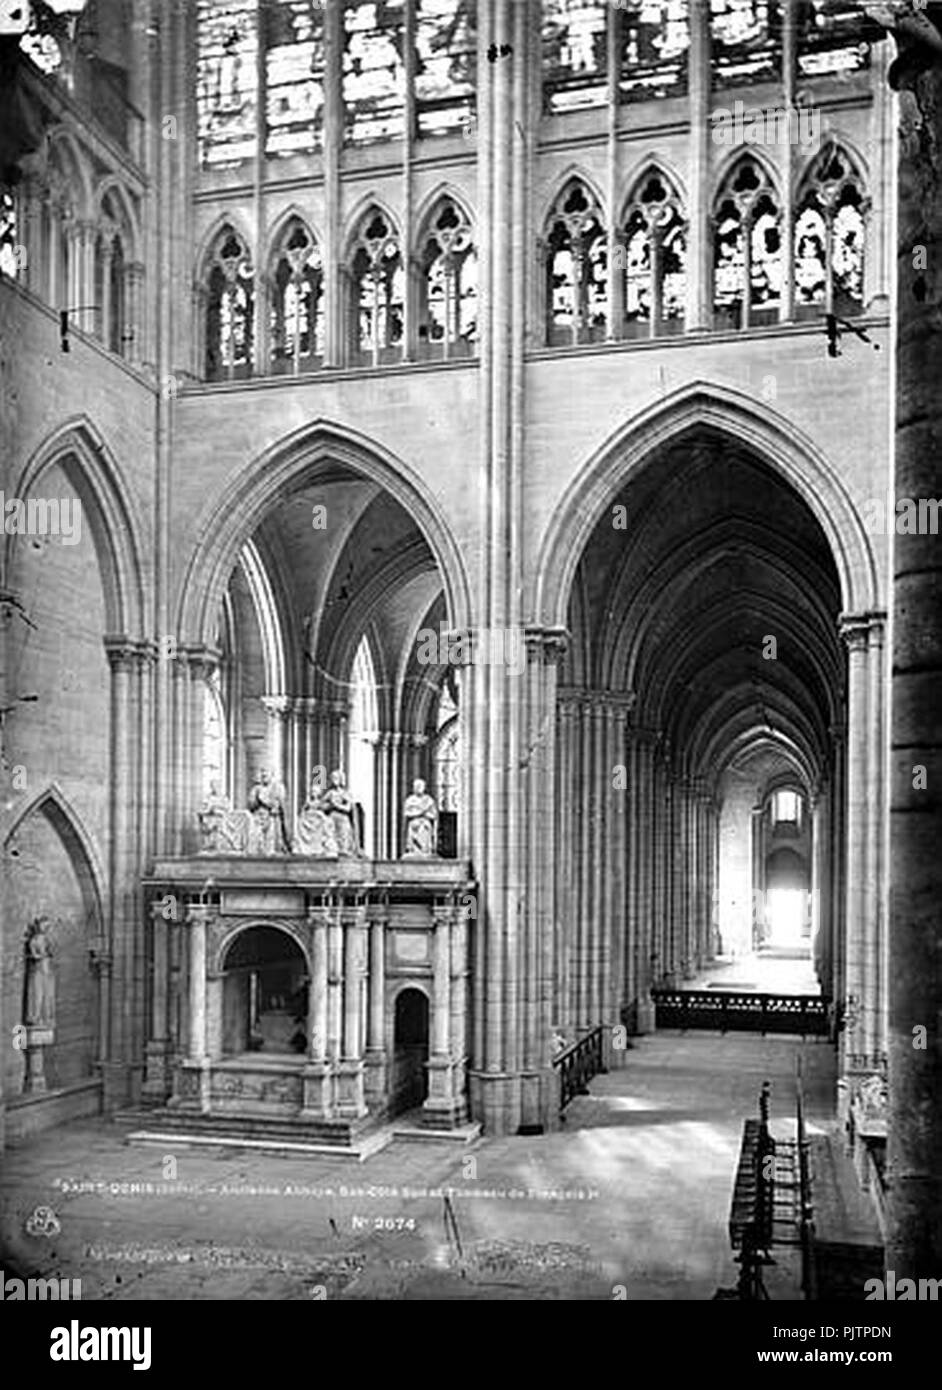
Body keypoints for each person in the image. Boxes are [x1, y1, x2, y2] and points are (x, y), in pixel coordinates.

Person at [292, 770, 338, 857]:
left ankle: (319, 847)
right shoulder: (308, 802)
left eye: (315, 792)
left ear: (318, 793)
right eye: (312, 792)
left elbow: (324, 808)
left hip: (317, 819)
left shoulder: (320, 802)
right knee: (300, 822)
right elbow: (303, 810)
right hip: (308, 819)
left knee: (324, 821)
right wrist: (302, 816)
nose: (313, 793)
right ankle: (302, 847)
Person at [247, 767, 289, 854]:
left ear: (272, 775)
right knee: (254, 833)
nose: (264, 776)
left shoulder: (278, 787)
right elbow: (251, 805)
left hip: (271, 817)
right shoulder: (256, 789)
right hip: (258, 817)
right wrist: (256, 800)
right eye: (262, 775)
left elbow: (280, 805)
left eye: (266, 774)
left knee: (271, 836)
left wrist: (266, 801)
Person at [24, 917, 56, 1028]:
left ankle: (47, 1018)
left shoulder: (47, 939)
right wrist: (41, 955)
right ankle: (37, 1017)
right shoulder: (34, 940)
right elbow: (34, 954)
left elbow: (51, 951)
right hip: (39, 969)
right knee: (38, 994)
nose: (46, 928)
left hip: (47, 969)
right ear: (39, 925)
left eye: (47, 926)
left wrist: (48, 952)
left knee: (48, 994)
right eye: (44, 925)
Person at [322, 769, 361, 856]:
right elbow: (322, 805)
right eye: (332, 778)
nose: (333, 780)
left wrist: (336, 805)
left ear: (340, 779)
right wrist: (328, 806)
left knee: (343, 839)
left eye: (335, 778)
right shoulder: (330, 793)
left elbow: (348, 808)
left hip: (342, 818)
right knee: (331, 839)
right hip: (332, 818)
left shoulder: (345, 794)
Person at [402, 777, 438, 857]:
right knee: (414, 827)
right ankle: (412, 849)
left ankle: (425, 850)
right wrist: (419, 812)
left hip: (425, 823)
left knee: (425, 827)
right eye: (417, 786)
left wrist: (425, 814)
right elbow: (407, 813)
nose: (418, 788)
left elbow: (433, 815)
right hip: (414, 823)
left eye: (420, 786)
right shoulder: (410, 800)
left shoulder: (429, 800)